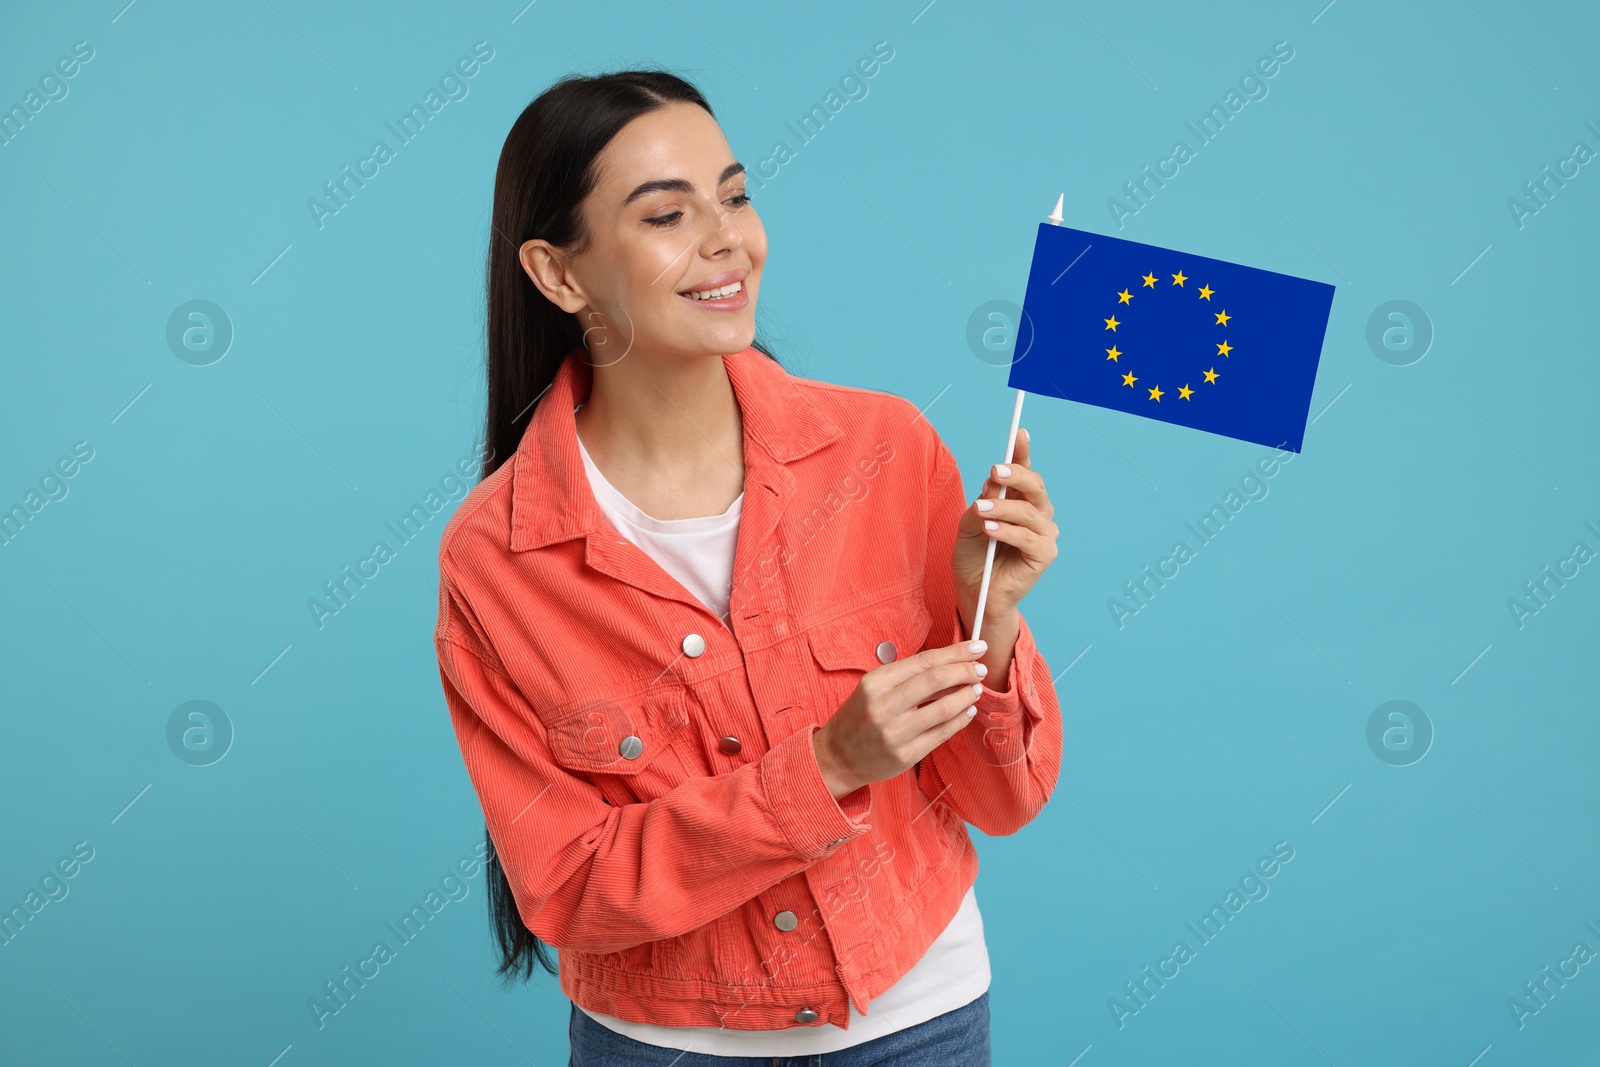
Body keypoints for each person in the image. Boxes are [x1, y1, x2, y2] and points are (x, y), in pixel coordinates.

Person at [433, 67, 1063, 1066]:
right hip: (665, 1044)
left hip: (921, 1020)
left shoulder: (885, 450)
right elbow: (566, 884)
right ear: (558, 275)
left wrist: (990, 620)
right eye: (665, 214)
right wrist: (825, 768)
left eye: (733, 194)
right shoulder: (497, 556)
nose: (726, 238)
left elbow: (1005, 800)